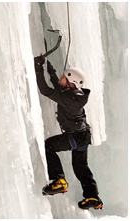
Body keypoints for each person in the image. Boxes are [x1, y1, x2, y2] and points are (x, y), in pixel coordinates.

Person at [34, 55, 102, 210]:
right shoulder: (73, 95)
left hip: (76, 136)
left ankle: (59, 180)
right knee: (80, 167)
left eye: (63, 77)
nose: (61, 78)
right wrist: (50, 70)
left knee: (49, 146)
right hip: (83, 136)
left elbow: (46, 90)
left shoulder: (69, 98)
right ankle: (93, 197)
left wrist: (38, 67)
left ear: (71, 82)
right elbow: (59, 89)